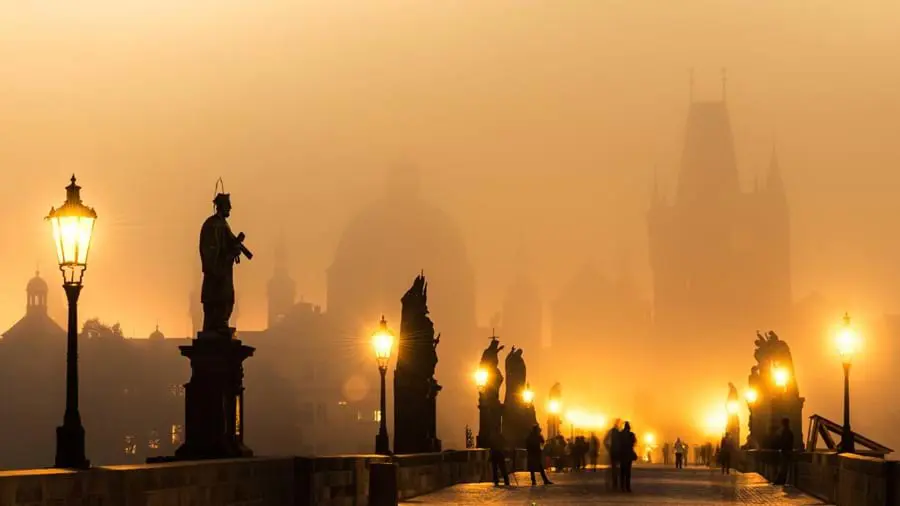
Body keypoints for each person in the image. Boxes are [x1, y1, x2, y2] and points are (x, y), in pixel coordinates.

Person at [775, 418, 794, 485]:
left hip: (785, 452)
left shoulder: (785, 432)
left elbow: (783, 442)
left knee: (783, 468)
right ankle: (782, 481)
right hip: (787, 452)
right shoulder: (789, 432)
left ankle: (780, 481)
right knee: (784, 468)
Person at [603, 419, 622, 490]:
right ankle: (616, 483)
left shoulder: (611, 431)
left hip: (613, 451)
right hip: (617, 452)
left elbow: (605, 440)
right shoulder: (619, 432)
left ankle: (614, 483)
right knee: (617, 468)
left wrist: (608, 448)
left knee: (614, 467)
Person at [619, 421, 637, 493]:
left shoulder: (620, 434)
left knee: (622, 472)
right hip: (629, 454)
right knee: (628, 472)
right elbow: (634, 442)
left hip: (622, 454)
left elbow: (618, 443)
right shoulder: (631, 434)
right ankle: (628, 487)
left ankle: (622, 487)